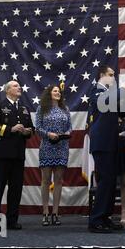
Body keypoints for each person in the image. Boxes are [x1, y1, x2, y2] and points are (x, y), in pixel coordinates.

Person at [0, 80, 34, 230]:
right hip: (1, 154)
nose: (19, 87)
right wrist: (10, 129)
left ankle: (12, 220)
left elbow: (31, 128)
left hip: (18, 155)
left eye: (19, 86)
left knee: (16, 190)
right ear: (7, 90)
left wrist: (28, 132)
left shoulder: (24, 109)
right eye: (15, 86)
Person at [87, 65, 124, 233]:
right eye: (111, 75)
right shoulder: (97, 91)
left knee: (110, 182)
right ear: (102, 76)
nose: (113, 77)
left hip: (111, 142)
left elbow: (121, 112)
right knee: (104, 181)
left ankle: (106, 217)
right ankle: (96, 220)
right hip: (102, 143)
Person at [35, 85, 71, 226]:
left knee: (59, 181)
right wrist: (48, 134)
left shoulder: (65, 109)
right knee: (45, 181)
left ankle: (55, 213)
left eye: (59, 91)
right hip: (47, 146)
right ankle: (45, 212)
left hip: (62, 147)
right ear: (49, 93)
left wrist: (67, 133)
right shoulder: (41, 108)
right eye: (55, 91)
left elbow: (70, 126)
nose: (58, 93)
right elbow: (37, 127)